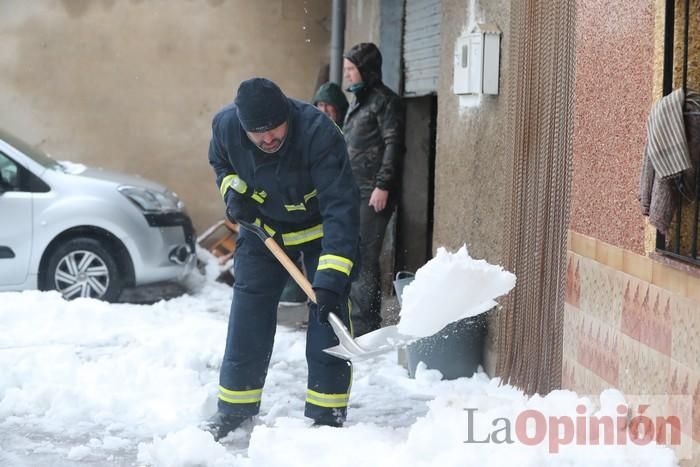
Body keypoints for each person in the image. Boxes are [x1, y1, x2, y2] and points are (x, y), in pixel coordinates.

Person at [206, 77, 360, 440]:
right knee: (249, 311)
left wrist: (331, 279)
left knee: (328, 312)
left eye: (275, 129)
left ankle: (327, 412)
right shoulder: (226, 127)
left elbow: (341, 208)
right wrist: (233, 193)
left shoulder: (319, 133)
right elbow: (221, 164)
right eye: (257, 134)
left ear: (287, 115)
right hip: (265, 230)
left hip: (321, 229)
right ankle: (235, 408)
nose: (268, 138)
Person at [342, 43, 405, 336]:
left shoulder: (384, 101)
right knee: (356, 257)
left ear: (365, 70)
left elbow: (394, 145)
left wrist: (382, 185)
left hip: (373, 193)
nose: (347, 76)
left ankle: (366, 328)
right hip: (355, 192)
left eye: (351, 70)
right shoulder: (359, 101)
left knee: (365, 259)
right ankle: (359, 320)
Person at [278, 81, 350, 306]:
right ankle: (307, 295)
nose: (324, 111)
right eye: (320, 105)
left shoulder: (346, 132)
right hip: (311, 209)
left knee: (337, 259)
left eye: (330, 106)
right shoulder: (309, 136)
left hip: (341, 207)